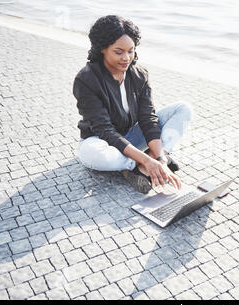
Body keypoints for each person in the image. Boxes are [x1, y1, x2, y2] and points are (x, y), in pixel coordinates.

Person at [73, 15, 193, 194]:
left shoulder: (140, 75)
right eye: (119, 52)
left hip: (132, 136)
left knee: (183, 109)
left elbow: (148, 119)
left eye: (131, 51)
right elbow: (105, 130)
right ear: (102, 50)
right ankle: (139, 164)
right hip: (101, 141)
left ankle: (157, 159)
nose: (126, 58)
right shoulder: (86, 79)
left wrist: (158, 158)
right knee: (94, 154)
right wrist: (145, 160)